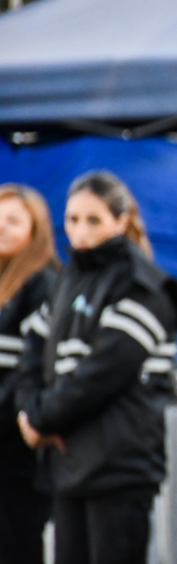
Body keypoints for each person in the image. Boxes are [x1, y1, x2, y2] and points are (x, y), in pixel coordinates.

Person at [16, 171, 177, 564]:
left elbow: (98, 376)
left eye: (93, 220)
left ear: (121, 220)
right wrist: (28, 412)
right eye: (72, 219)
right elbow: (31, 355)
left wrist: (41, 420)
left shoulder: (143, 286)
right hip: (68, 465)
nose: (81, 231)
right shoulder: (66, 281)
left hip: (119, 468)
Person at [0, 185, 59, 564]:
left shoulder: (43, 284)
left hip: (17, 455)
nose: (2, 228)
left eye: (13, 220)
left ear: (36, 230)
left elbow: (30, 371)